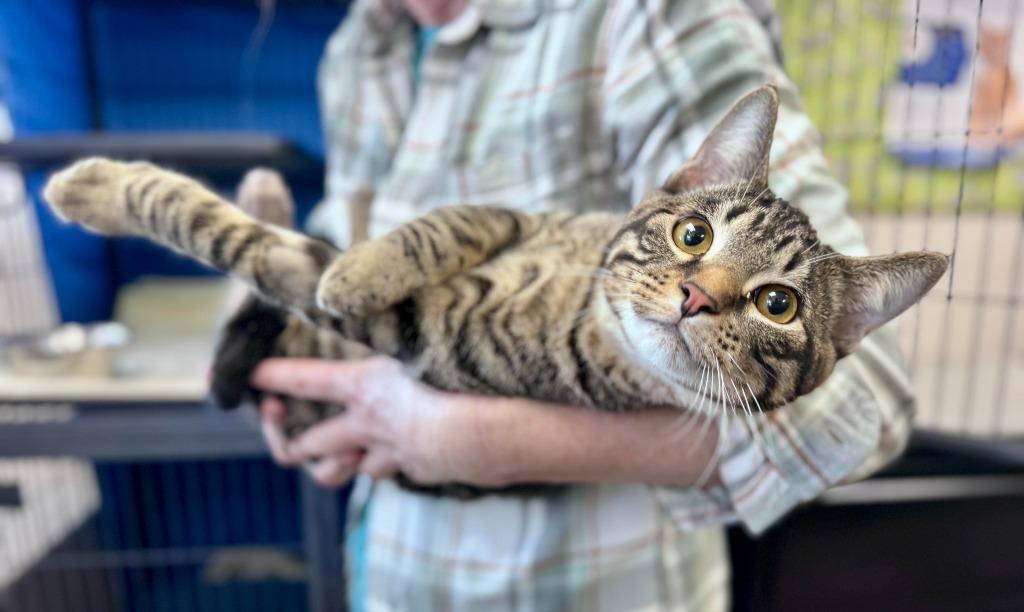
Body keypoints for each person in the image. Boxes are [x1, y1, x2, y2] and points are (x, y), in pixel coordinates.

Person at [251, 0, 916, 609]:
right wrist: (323, 400)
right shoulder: (359, 45)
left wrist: (478, 440)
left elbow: (868, 406)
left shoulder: (651, 16)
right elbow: (350, 261)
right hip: (387, 576)